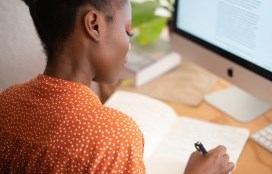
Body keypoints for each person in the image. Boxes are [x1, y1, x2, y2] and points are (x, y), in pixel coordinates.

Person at [0, 0, 234, 173]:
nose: (129, 45)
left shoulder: (6, 103)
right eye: (127, 31)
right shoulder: (113, 138)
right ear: (94, 25)